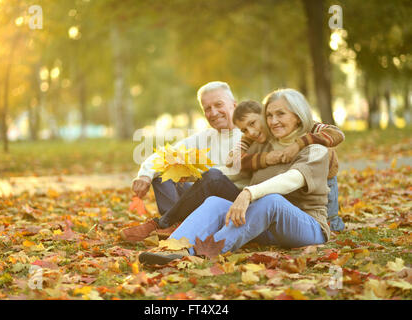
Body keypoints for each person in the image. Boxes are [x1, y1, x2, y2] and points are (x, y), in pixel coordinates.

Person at [139, 88, 335, 265]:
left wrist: (249, 193)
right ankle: (172, 248)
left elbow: (293, 179)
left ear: (298, 116)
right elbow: (232, 172)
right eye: (269, 115)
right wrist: (197, 178)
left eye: (280, 114)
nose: (273, 121)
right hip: (266, 228)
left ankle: (204, 253)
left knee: (271, 201)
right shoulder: (262, 145)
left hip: (307, 227)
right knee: (215, 202)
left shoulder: (316, 149)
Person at [121, 81, 247, 241]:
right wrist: (145, 175)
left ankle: (164, 223)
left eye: (218, 104)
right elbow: (165, 154)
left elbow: (235, 173)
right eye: (207, 108)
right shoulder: (205, 137)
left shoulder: (249, 134)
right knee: (164, 171)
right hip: (203, 196)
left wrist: (195, 175)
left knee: (212, 176)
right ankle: (177, 225)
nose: (213, 112)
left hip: (234, 202)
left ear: (234, 105)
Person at [227, 100, 345, 231]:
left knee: (330, 218)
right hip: (299, 174)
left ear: (264, 115)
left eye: (252, 123)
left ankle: (333, 224)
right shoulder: (251, 136)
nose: (251, 132)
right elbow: (232, 160)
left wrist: (298, 144)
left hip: (324, 175)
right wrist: (266, 158)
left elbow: (337, 134)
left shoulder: (302, 124)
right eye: (244, 130)